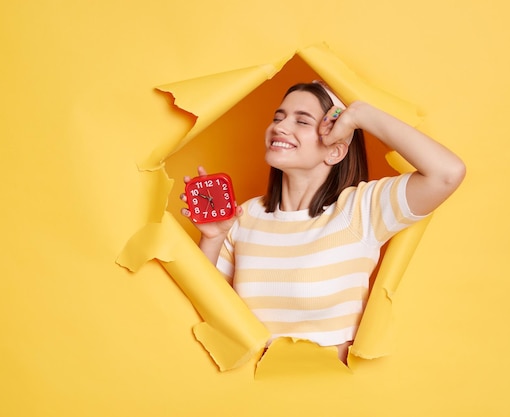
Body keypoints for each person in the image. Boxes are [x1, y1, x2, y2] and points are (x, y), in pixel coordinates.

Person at [181, 81, 465, 362]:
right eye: (278, 117)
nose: (280, 127)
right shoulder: (245, 217)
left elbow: (447, 173)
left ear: (335, 151)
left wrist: (360, 115)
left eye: (301, 121)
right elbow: (209, 311)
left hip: (332, 394)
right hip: (253, 393)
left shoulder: (361, 210)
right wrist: (213, 238)